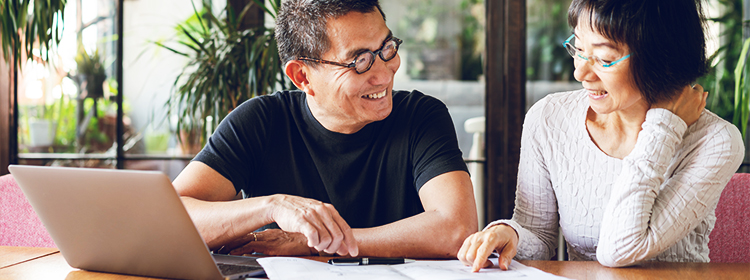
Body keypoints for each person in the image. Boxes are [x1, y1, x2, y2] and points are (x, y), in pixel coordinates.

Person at [171, 0, 477, 258]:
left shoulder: (421, 116)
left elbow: (456, 229)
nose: (384, 73)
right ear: (302, 76)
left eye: (386, 47)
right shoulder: (260, 121)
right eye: (360, 61)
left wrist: (313, 242)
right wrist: (272, 206)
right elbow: (172, 217)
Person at [458, 0, 745, 270]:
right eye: (578, 48)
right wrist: (509, 234)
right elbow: (539, 237)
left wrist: (664, 127)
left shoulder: (715, 141)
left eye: (605, 59)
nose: (580, 72)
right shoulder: (549, 118)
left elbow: (619, 249)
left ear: (662, 56)